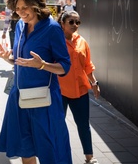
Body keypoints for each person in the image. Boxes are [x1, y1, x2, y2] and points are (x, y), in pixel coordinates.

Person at [0, 0, 73, 164]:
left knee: (51, 153)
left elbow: (65, 67)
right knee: (26, 151)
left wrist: (43, 65)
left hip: (44, 103)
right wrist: (8, 58)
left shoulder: (52, 28)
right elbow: (22, 61)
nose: (21, 12)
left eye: (25, 7)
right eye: (17, 8)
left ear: (37, 4)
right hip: (20, 99)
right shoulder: (21, 26)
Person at [57, 10, 101, 164]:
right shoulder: (56, 41)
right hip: (60, 91)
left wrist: (94, 83)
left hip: (81, 90)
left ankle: (89, 157)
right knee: (58, 125)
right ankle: (58, 155)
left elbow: (88, 65)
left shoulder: (82, 41)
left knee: (83, 124)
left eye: (77, 22)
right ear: (62, 24)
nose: (75, 25)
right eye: (71, 22)